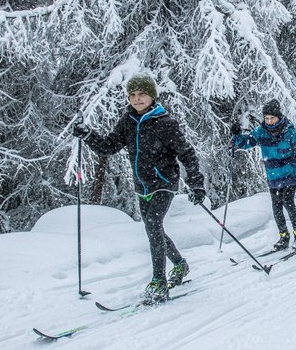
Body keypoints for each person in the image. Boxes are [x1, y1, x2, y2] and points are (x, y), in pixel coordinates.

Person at [73, 74, 206, 304]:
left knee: (154, 225)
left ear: (152, 96)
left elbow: (187, 153)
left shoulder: (164, 123)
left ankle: (158, 282)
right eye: (132, 95)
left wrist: (196, 184)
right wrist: (88, 135)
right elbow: (109, 147)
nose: (137, 99)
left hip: (164, 182)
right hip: (142, 185)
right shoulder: (128, 121)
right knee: (153, 229)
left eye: (142, 94)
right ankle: (181, 265)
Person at [232, 99, 296, 252]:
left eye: (272, 118)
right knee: (276, 206)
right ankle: (284, 236)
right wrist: (237, 135)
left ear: (279, 117)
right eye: (266, 118)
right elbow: (245, 143)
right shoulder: (260, 132)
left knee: (287, 201)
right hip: (273, 175)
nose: (269, 121)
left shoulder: (291, 132)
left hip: (290, 171)